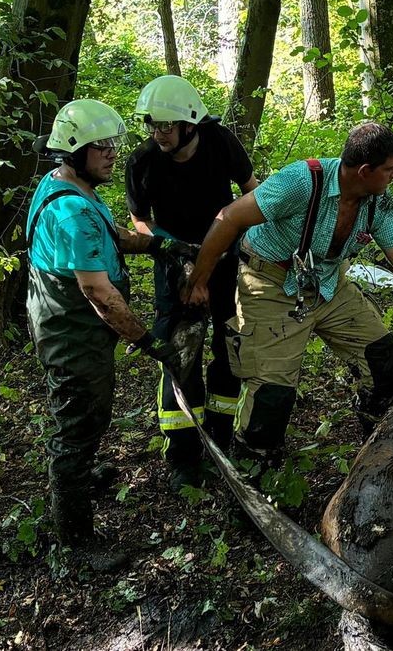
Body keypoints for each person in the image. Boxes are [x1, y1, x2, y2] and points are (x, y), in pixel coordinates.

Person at [183, 122, 393, 462]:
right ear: (365, 171)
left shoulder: (378, 204)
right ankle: (252, 483)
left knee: (383, 362)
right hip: (270, 285)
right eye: (389, 169)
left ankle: (373, 454)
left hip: (327, 283)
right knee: (271, 397)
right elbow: (230, 217)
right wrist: (200, 280)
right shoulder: (301, 182)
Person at [28, 99, 196, 570]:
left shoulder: (70, 187)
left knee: (85, 409)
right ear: (74, 150)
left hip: (62, 318)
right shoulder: (71, 214)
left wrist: (159, 244)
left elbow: (111, 234)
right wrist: (150, 342)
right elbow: (100, 294)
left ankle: (79, 474)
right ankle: (76, 542)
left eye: (113, 144)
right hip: (72, 329)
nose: (111, 154)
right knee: (80, 418)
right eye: (100, 146)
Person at [126, 75, 259, 492]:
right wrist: (180, 262)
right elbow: (140, 220)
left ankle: (222, 435)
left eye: (166, 125)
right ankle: (184, 456)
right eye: (152, 124)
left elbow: (251, 192)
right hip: (171, 266)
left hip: (225, 260)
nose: (158, 133)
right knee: (180, 356)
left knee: (229, 346)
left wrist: (249, 246)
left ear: (190, 124)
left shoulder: (221, 143)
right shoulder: (143, 161)